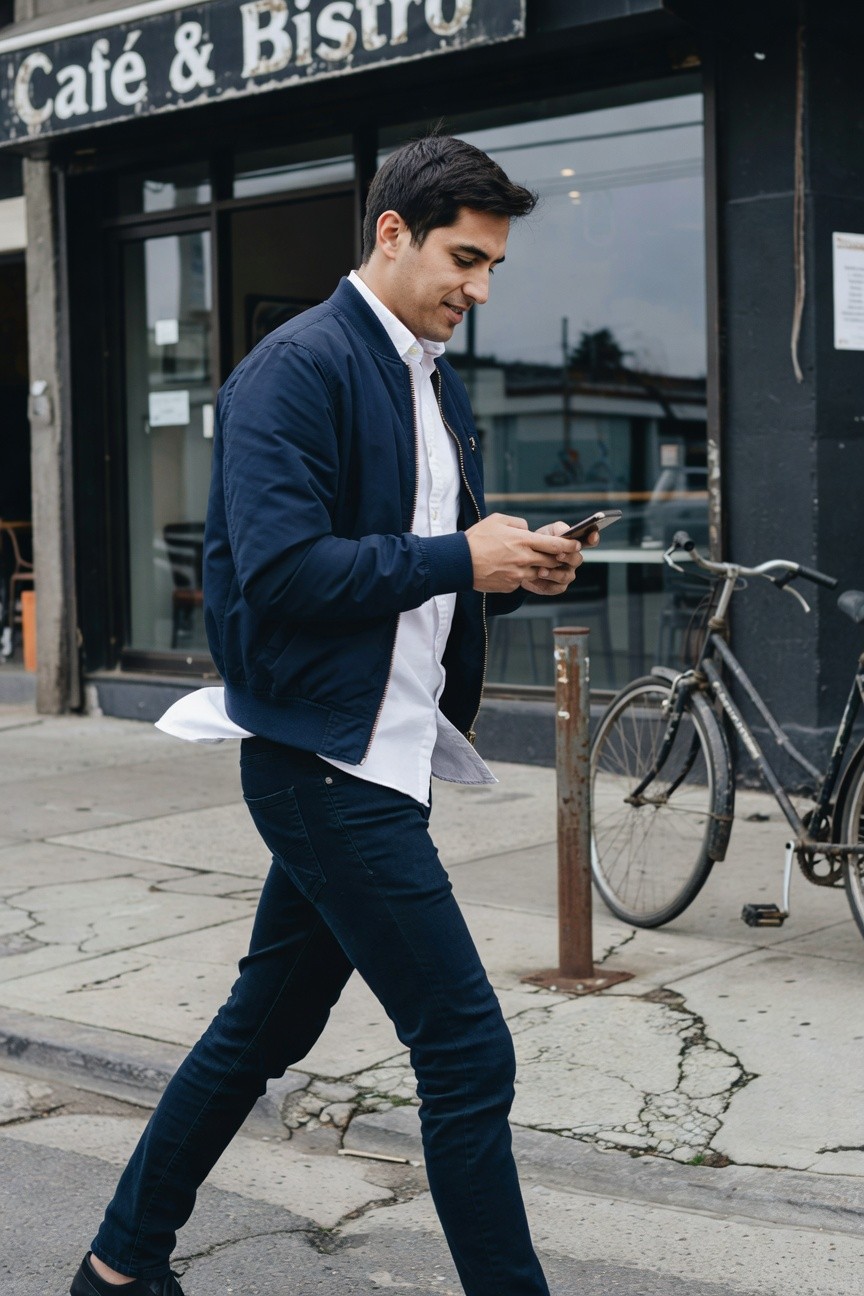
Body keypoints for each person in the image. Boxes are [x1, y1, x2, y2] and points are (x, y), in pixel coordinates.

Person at [71, 134, 596, 1296]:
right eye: (466, 258)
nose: (482, 288)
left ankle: (120, 1262)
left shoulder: (431, 383)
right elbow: (284, 574)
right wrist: (458, 555)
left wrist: (511, 563)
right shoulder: (294, 370)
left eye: (496, 265)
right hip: (321, 763)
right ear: (392, 234)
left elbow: (416, 567)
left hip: (381, 752)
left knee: (265, 1031)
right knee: (466, 1049)